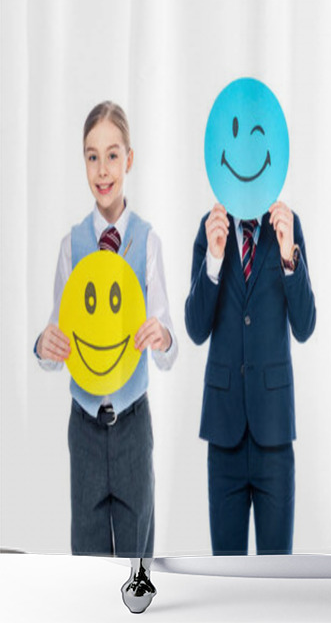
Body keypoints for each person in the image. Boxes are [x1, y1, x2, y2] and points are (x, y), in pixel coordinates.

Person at [34, 101, 178, 613]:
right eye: (92, 158)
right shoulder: (72, 246)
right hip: (86, 429)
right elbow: (58, 343)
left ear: (129, 160)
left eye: (112, 156)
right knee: (88, 564)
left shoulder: (147, 241)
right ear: (84, 164)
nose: (102, 170)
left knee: (138, 568)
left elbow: (166, 349)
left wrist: (162, 337)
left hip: (134, 425)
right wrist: (42, 346)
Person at [184, 200, 316, 555]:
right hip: (223, 430)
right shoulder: (210, 226)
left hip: (273, 432)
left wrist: (290, 257)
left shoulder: (288, 224)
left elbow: (304, 326)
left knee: (277, 575)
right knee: (226, 575)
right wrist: (213, 259)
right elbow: (196, 329)